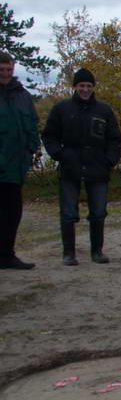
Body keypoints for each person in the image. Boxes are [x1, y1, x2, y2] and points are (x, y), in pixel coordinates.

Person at [41, 68, 121, 265]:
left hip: (98, 168)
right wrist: (59, 154)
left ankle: (97, 251)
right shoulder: (62, 109)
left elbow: (114, 138)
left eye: (88, 86)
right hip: (70, 167)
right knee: (68, 213)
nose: (85, 89)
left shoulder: (104, 110)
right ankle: (69, 253)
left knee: (98, 213)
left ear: (93, 87)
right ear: (75, 87)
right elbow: (49, 135)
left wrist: (110, 160)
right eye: (81, 85)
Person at [0, 52, 40, 270]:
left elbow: (33, 124)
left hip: (15, 167)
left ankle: (7, 255)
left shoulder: (22, 96)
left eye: (9, 69)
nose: (6, 74)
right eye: (1, 70)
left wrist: (31, 148)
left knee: (12, 213)